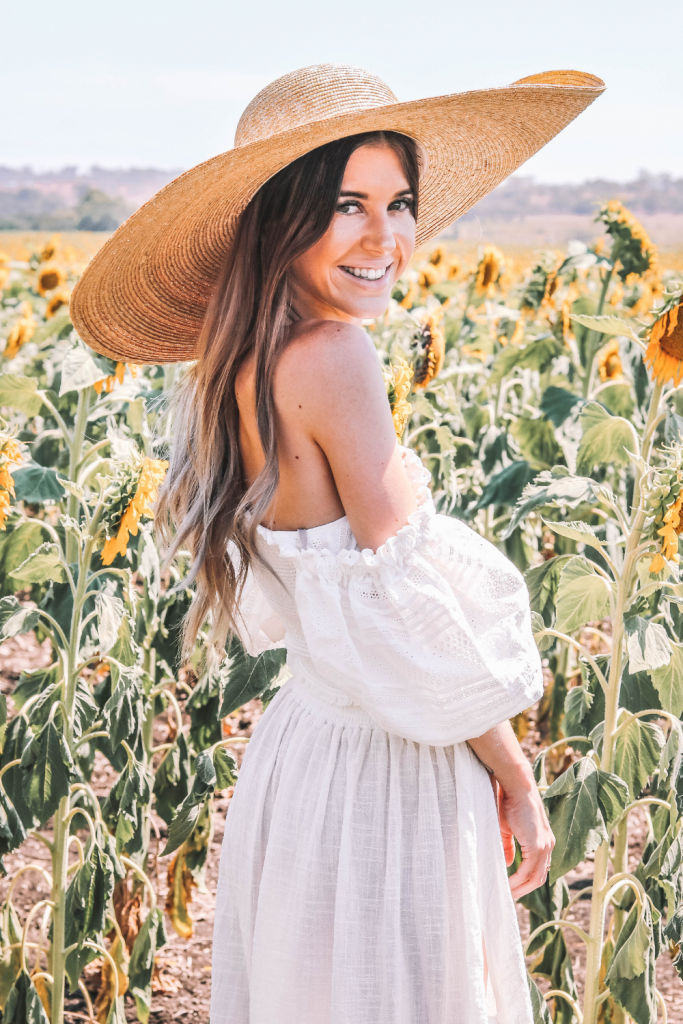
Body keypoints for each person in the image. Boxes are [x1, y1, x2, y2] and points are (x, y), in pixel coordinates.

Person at [71, 63, 605, 1024]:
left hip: (310, 751)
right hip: (390, 764)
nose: (385, 237)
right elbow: (410, 616)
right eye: (347, 205)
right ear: (283, 220)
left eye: (398, 204)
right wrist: (518, 776)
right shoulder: (333, 356)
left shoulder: (245, 365)